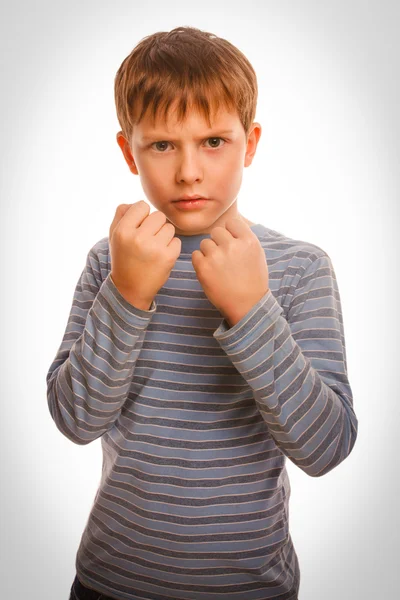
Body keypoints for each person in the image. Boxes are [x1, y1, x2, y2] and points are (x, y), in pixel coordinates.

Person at [46, 26, 358, 600]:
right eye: (163, 145)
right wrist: (128, 294)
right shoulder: (110, 260)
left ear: (251, 143)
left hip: (249, 588)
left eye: (214, 141)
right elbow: (75, 420)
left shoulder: (298, 269)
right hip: (111, 583)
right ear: (127, 150)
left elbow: (326, 447)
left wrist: (251, 310)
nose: (189, 170)